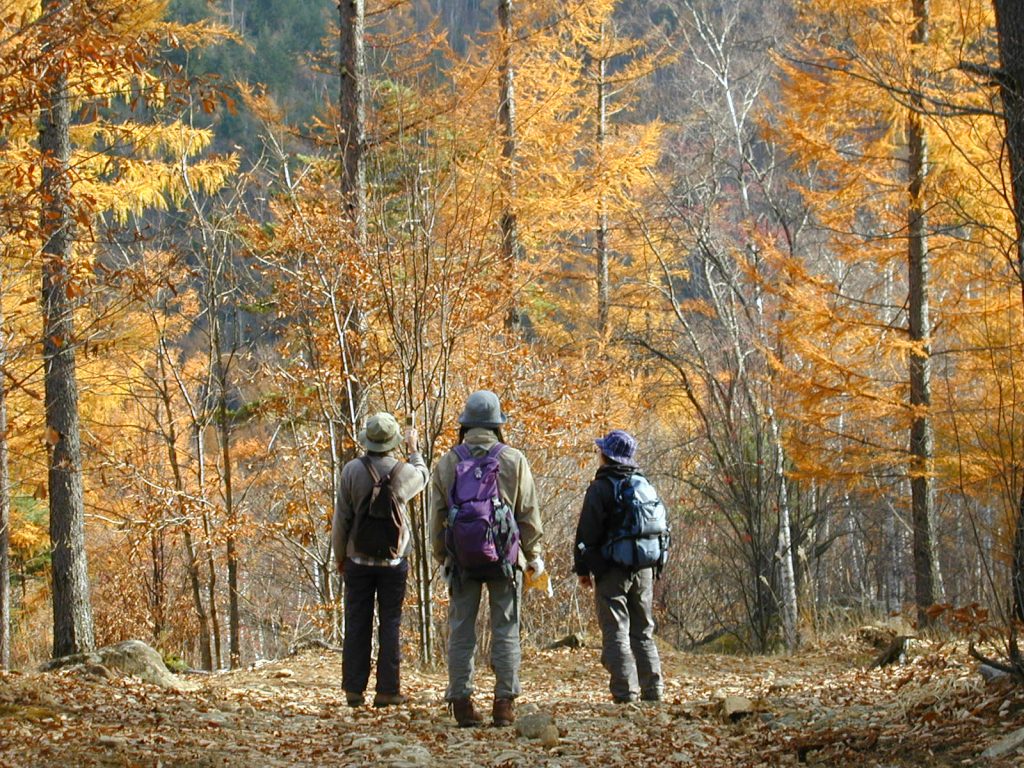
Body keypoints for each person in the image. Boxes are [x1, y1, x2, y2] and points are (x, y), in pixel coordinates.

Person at [429, 390, 543, 728]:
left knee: (461, 628)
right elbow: (529, 514)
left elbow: (437, 518)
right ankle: (504, 704)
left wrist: (443, 556)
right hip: (505, 560)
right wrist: (533, 555)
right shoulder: (513, 459)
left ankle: (462, 703)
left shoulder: (448, 461)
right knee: (506, 626)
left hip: (461, 560)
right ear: (497, 425)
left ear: (464, 424)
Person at [332, 411, 429, 708]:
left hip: (357, 561)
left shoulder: (352, 471)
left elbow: (341, 519)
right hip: (394, 561)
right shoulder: (404, 473)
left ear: (368, 441)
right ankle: (388, 690)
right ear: (393, 442)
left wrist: (340, 557)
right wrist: (414, 450)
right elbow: (424, 476)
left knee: (357, 622)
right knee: (391, 622)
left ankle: (354, 689)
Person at [574, 429, 664, 703]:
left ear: (606, 456)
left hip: (611, 570)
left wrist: (583, 569)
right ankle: (653, 690)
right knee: (643, 631)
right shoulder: (643, 484)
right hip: (645, 568)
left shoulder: (601, 488)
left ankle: (625, 695)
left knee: (616, 632)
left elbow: (586, 534)